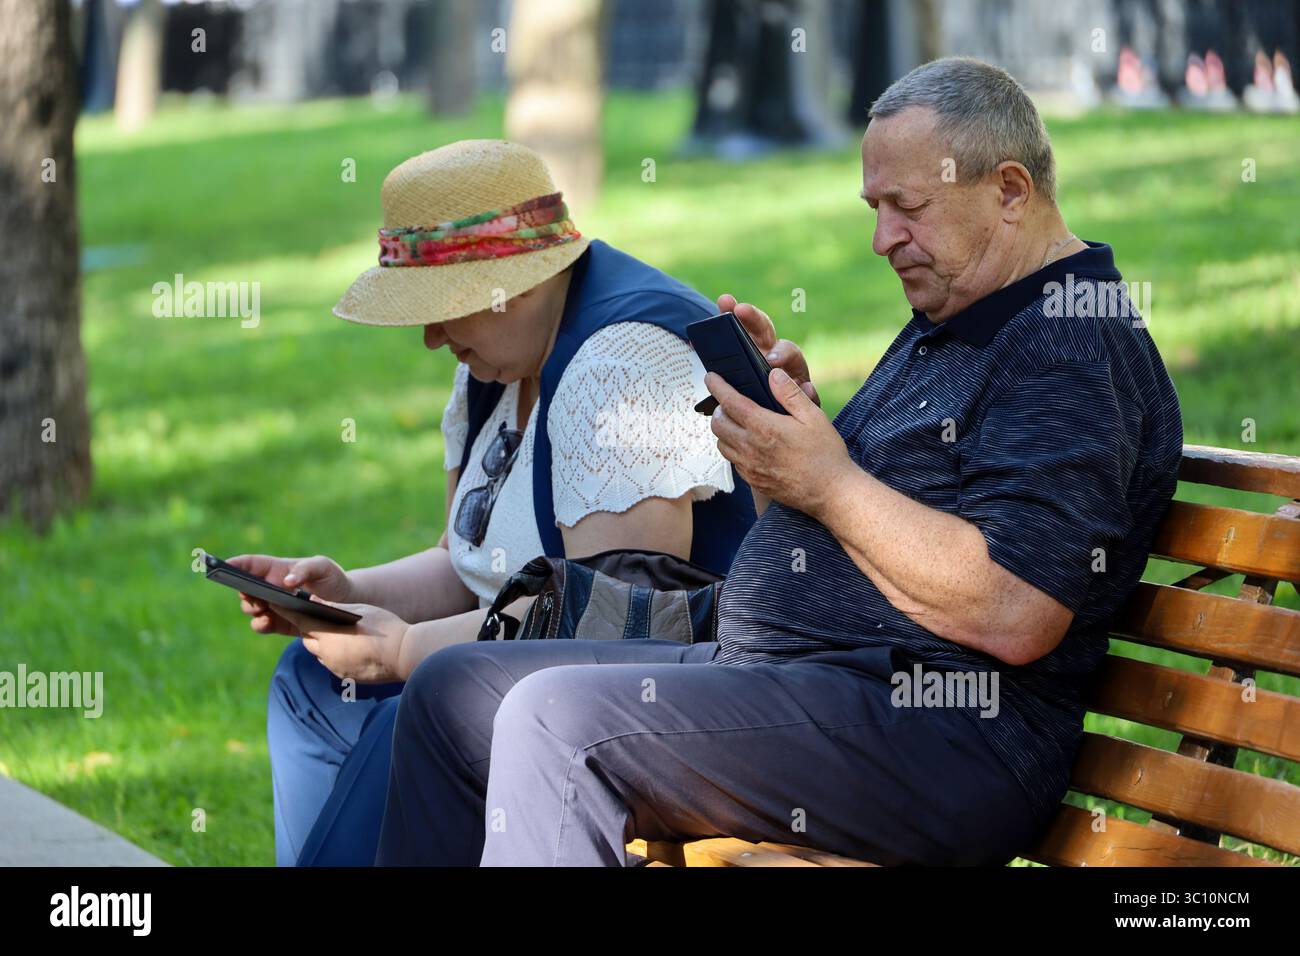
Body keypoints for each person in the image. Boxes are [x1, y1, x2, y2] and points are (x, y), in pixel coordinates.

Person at [373, 58, 1184, 867]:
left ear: (1009, 190)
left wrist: (828, 479)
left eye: (908, 208)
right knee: (455, 689)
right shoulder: (961, 308)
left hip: (938, 736)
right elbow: (859, 530)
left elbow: (1016, 610)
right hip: (802, 685)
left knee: (555, 722)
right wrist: (781, 446)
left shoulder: (1067, 343)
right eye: (875, 209)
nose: (882, 240)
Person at [235, 140, 757, 865]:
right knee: (307, 678)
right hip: (528, 669)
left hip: (681, 707)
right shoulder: (501, 360)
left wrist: (406, 650)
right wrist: (349, 593)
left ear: (513, 284)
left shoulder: (619, 368)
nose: (429, 337)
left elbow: (618, 626)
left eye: (440, 309)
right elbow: (471, 565)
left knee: (426, 708)